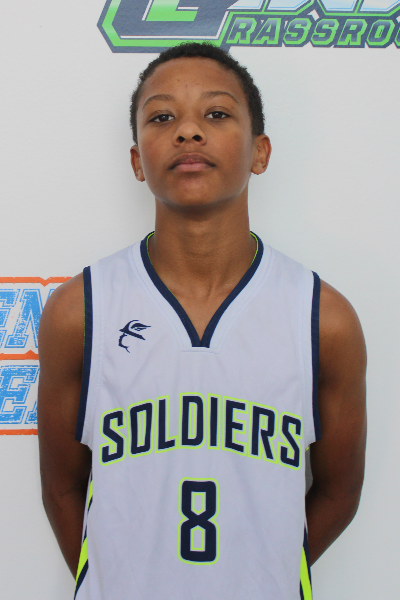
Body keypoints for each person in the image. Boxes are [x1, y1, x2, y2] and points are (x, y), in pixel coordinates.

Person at [37, 43, 367, 600]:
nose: (188, 131)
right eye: (162, 117)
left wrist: (259, 575)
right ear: (137, 160)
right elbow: (62, 489)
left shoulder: (322, 318)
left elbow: (339, 492)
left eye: (216, 113)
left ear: (260, 151)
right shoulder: (81, 311)